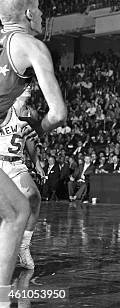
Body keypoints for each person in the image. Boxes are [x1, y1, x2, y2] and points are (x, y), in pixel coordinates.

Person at [0, 0, 67, 306]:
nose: (41, 14)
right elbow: (58, 113)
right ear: (27, 14)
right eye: (39, 9)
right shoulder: (31, 46)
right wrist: (39, 130)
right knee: (17, 212)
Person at [0, 92, 45, 270]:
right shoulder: (4, 107)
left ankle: (24, 247)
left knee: (34, 197)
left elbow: (30, 141)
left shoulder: (30, 114)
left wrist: (36, 163)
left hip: (17, 164)